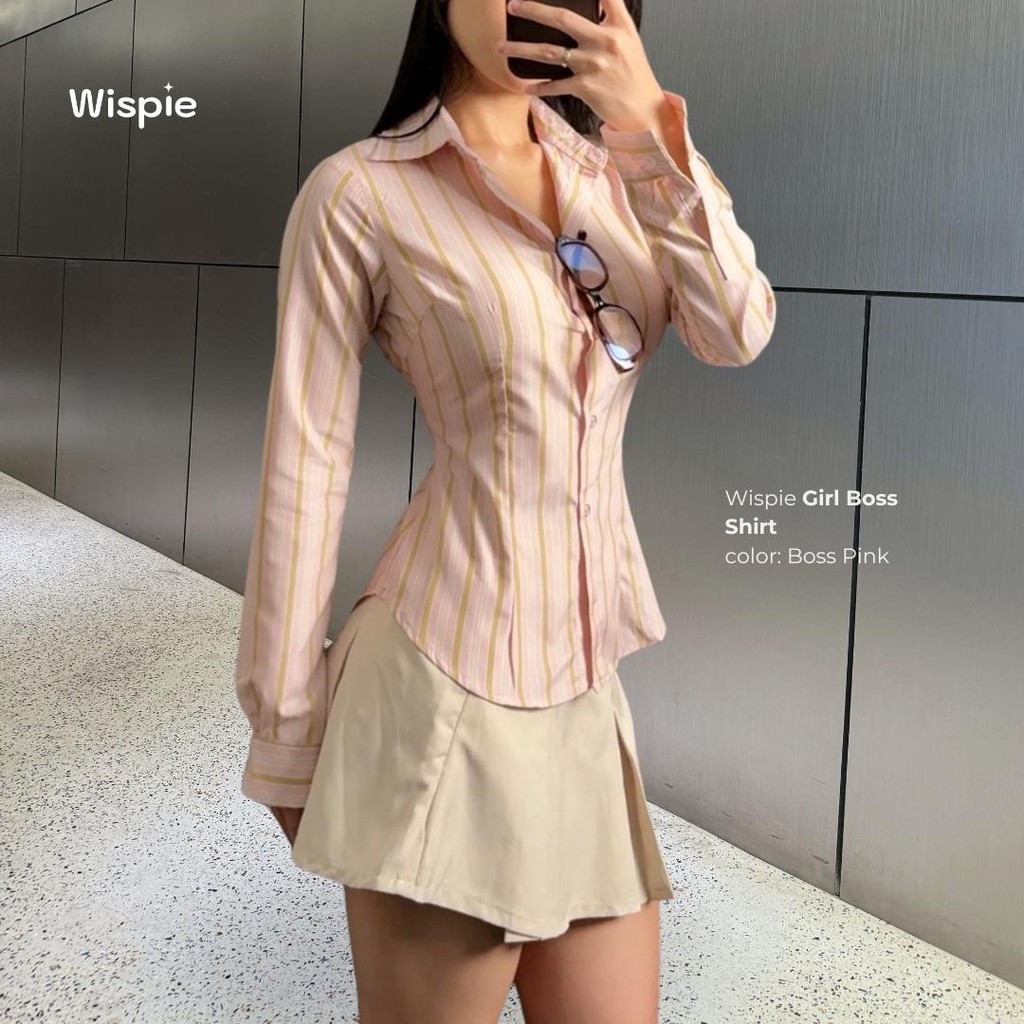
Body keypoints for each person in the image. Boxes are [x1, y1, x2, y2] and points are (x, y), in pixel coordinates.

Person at [234, 0, 776, 1021]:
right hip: (436, 692)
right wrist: (287, 732)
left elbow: (735, 327)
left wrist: (645, 128)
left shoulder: (617, 175)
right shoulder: (359, 193)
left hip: (586, 694)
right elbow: (306, 459)